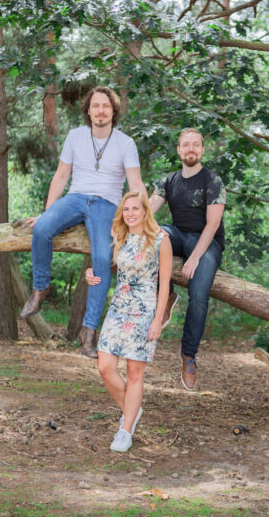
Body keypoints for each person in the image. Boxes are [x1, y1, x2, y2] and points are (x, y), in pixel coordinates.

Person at [20, 86, 147, 359]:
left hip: (106, 205)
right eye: (96, 106)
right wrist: (48, 211)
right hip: (75, 198)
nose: (101, 110)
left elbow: (136, 185)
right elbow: (61, 176)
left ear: (114, 111)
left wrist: (140, 222)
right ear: (88, 111)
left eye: (106, 106)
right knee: (41, 229)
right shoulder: (76, 136)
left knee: (102, 259)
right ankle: (41, 288)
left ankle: (88, 333)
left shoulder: (125, 143)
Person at [86, 191, 172, 452]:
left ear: (146, 211)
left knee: (135, 372)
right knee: (105, 366)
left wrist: (158, 319)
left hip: (144, 309)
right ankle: (132, 412)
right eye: (126, 209)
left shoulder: (160, 240)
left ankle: (125, 430)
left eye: (136, 208)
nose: (131, 213)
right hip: (119, 307)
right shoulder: (119, 236)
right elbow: (105, 266)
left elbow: (165, 283)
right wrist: (91, 272)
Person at [150, 128, 226, 391]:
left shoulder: (213, 181)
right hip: (178, 235)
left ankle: (189, 355)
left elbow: (213, 223)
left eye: (196, 145)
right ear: (179, 150)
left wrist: (194, 258)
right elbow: (147, 214)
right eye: (186, 145)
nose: (191, 149)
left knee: (199, 296)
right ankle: (167, 295)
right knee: (156, 234)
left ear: (202, 150)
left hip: (208, 241)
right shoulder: (168, 181)